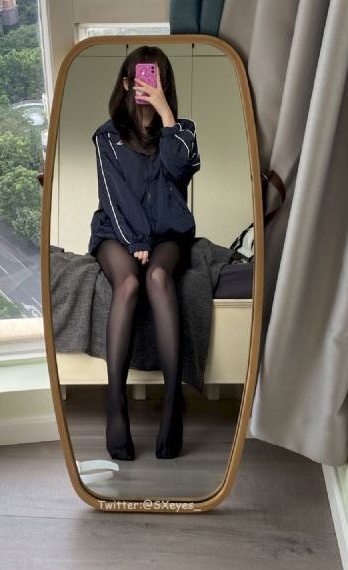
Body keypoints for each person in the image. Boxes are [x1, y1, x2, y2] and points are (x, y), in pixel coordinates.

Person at [88, 46, 201, 461]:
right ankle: (115, 404)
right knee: (130, 284)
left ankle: (173, 403)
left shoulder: (181, 132)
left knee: (157, 276)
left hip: (169, 232)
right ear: (125, 84)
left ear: (165, 85)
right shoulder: (107, 136)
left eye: (157, 79)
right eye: (141, 78)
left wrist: (166, 115)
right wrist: (136, 241)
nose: (149, 86)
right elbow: (114, 198)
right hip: (116, 233)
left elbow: (180, 171)